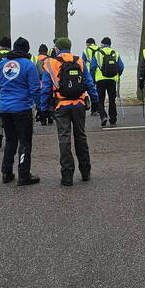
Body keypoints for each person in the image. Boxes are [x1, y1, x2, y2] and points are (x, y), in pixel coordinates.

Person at [41, 37, 99, 186]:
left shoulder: (50, 63)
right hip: (79, 103)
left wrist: (43, 108)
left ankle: (67, 176)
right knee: (81, 136)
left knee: (64, 139)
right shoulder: (79, 61)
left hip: (61, 106)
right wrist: (95, 99)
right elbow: (89, 82)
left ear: (57, 49)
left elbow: (46, 89)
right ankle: (85, 171)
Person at [0, 37, 41, 186]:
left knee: (10, 141)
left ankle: (6, 173)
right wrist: (40, 107)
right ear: (27, 50)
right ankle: (24, 175)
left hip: (5, 108)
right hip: (22, 108)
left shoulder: (2, 64)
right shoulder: (29, 65)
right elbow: (34, 89)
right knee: (25, 142)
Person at [90, 36, 124, 127]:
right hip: (112, 80)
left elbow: (92, 67)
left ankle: (103, 116)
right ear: (110, 44)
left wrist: (93, 79)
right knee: (112, 100)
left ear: (102, 44)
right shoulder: (115, 53)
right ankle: (113, 119)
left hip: (100, 80)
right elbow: (121, 67)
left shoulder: (97, 54)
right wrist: (117, 74)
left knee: (100, 100)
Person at [83, 37, 99, 116]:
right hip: (99, 73)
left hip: (89, 73)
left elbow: (82, 62)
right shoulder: (100, 49)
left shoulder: (86, 50)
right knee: (99, 91)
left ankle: (93, 110)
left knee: (91, 91)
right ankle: (99, 108)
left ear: (88, 43)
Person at [35, 44, 50, 126]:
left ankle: (42, 118)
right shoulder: (49, 59)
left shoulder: (35, 59)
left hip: (38, 82)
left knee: (40, 100)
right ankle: (50, 116)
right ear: (46, 51)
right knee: (49, 98)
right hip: (47, 81)